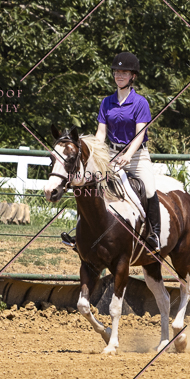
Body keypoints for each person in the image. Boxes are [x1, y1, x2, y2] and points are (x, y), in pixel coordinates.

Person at [61, 52, 161, 254]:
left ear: (133, 76)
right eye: (117, 72)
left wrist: (128, 155)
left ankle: (155, 236)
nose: (119, 75)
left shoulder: (140, 102)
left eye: (124, 72)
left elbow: (140, 134)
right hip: (111, 154)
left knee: (149, 190)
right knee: (87, 185)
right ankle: (79, 233)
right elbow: (101, 133)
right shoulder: (107, 102)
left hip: (137, 156)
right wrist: (96, 155)